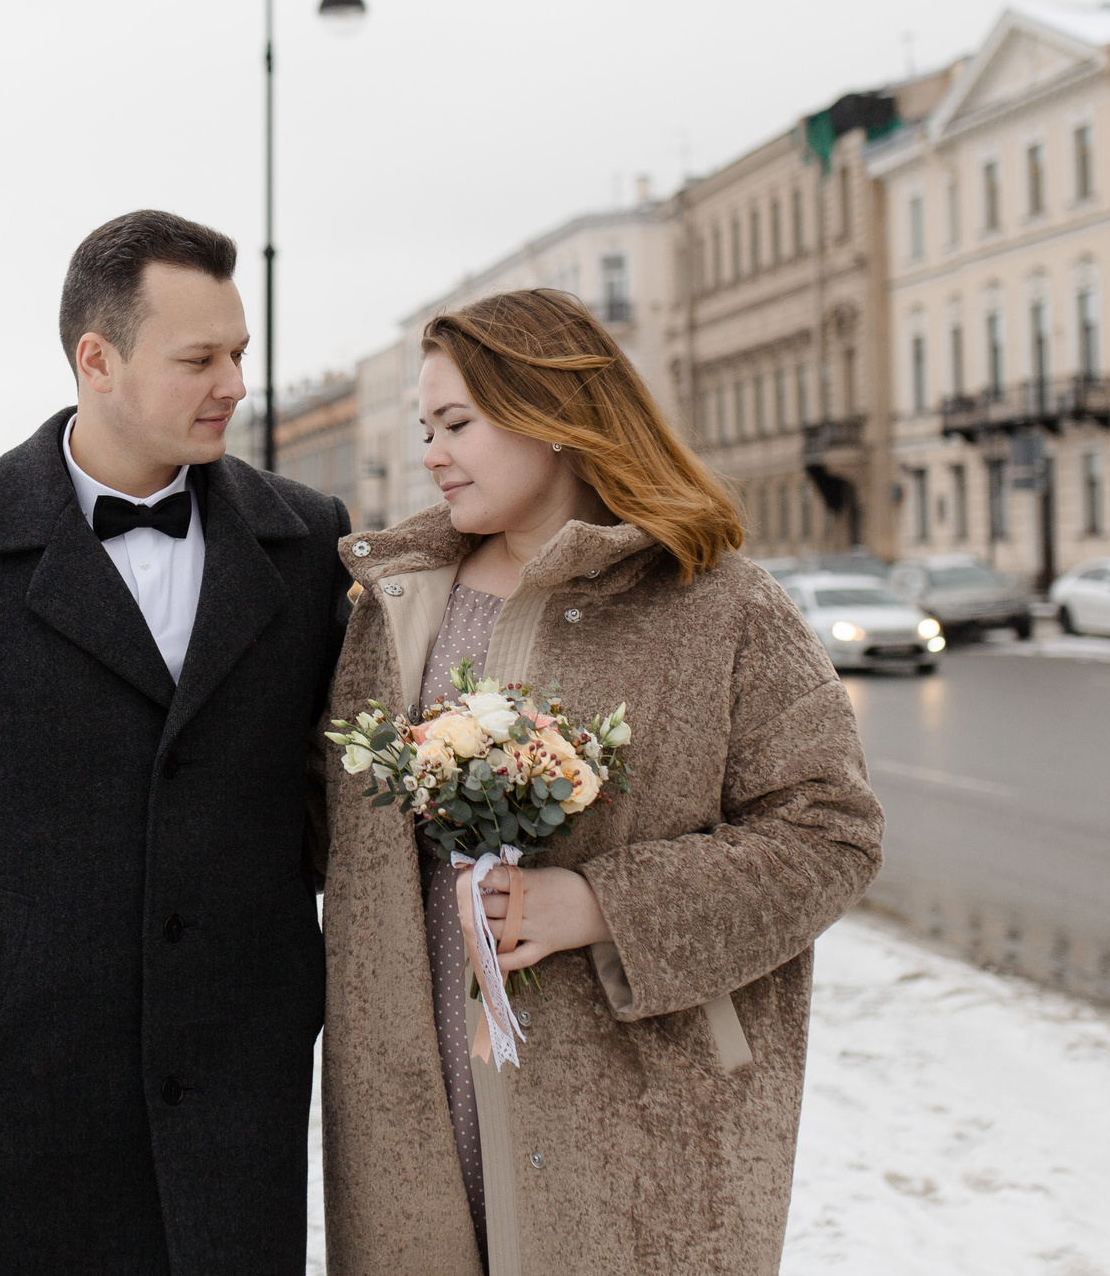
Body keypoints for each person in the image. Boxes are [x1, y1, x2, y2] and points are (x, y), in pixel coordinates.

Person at [0, 209, 354, 1276]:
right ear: (95, 360)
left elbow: (340, 771)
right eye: (199, 359)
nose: (234, 384)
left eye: (239, 353)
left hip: (237, 1074)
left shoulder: (307, 538)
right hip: (15, 1082)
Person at [320, 289, 883, 1276]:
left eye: (456, 424)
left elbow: (829, 833)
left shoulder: (718, 605)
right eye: (424, 428)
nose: (431, 453)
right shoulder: (393, 604)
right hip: (417, 1099)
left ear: (553, 417)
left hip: (630, 1119)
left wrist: (600, 905)